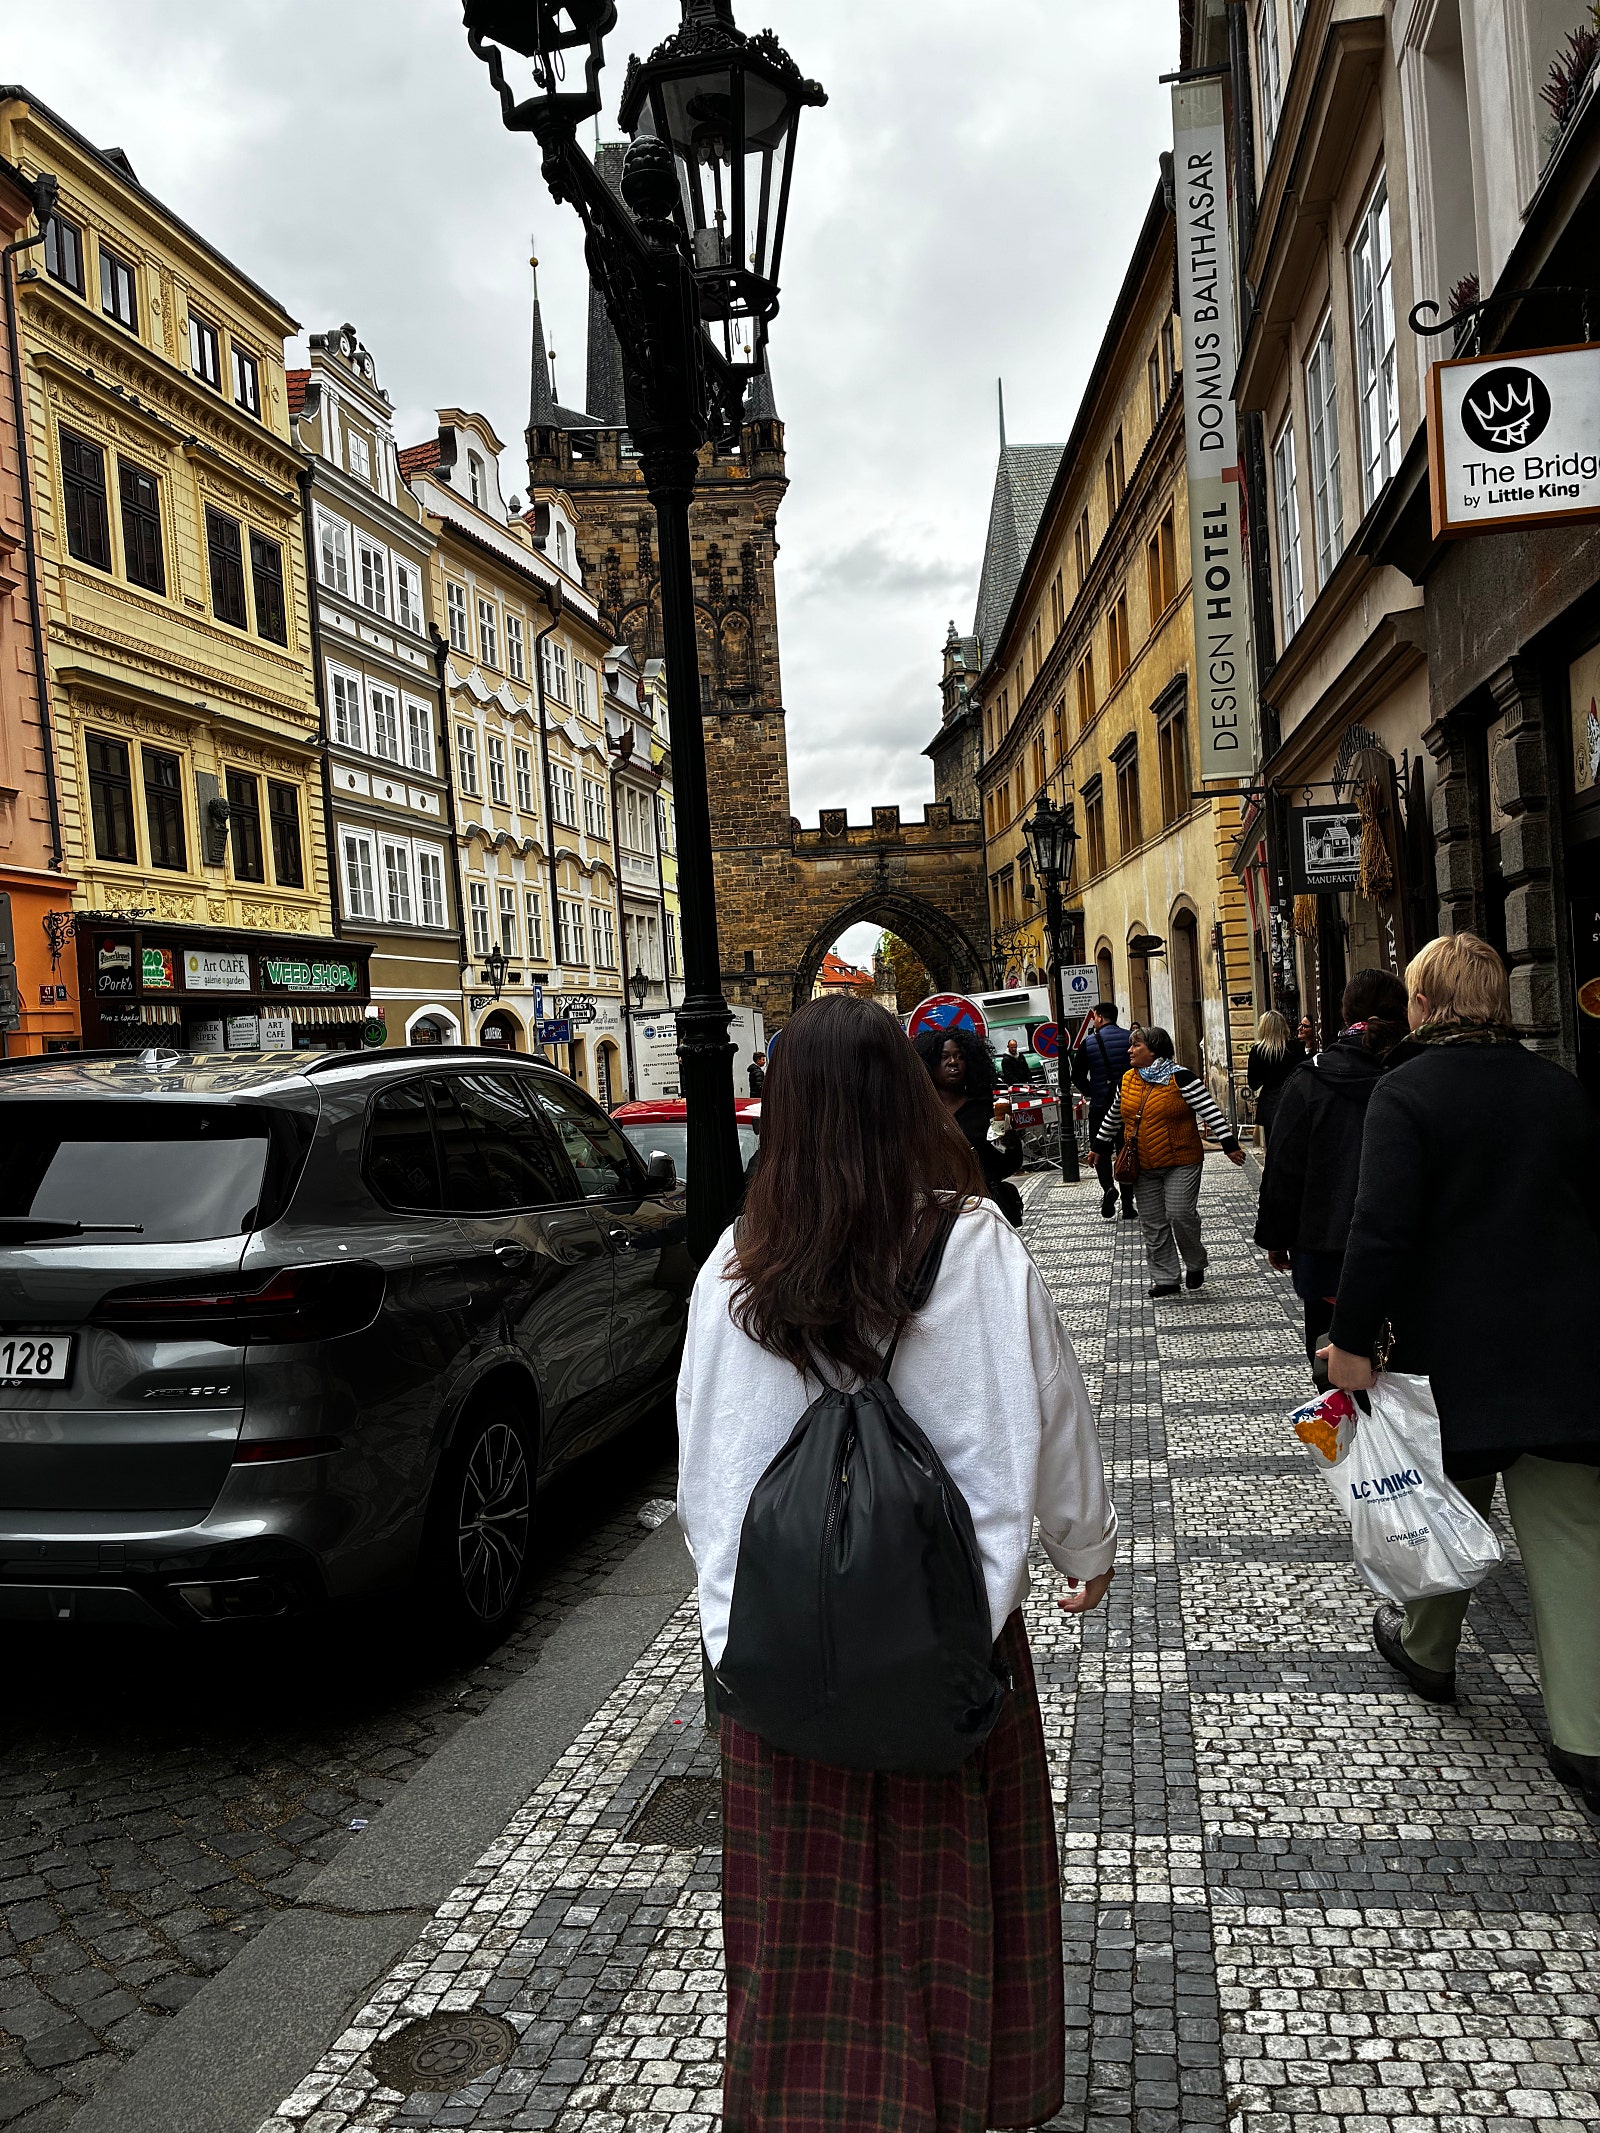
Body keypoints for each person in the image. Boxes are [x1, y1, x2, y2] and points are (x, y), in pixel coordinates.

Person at [677, 992, 1118, 2133]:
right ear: (909, 1100)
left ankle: (813, 2101)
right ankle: (955, 2092)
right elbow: (1051, 1408)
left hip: (782, 1653)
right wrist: (1083, 1542)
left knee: (801, 1923)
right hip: (948, 1635)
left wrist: (728, 1629)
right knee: (947, 1898)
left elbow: (707, 1465)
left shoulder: (734, 1263)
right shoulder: (976, 1245)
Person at [1322, 934, 1600, 1812]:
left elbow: (1381, 1229)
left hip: (1451, 1359)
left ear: (1425, 1005)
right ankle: (1587, 1737)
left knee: (1439, 1502)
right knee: (1573, 1538)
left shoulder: (1406, 1091)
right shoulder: (1561, 1087)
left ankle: (1428, 1649)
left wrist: (1351, 1341)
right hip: (1566, 1354)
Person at [1253, 969, 1408, 1375]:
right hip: (1406, 1246)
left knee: (1330, 1361)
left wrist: (1276, 1236)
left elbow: (1284, 1166)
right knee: (1407, 1357)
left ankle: (1343, 1413)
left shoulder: (1310, 1079)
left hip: (1326, 1247)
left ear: (1344, 1013)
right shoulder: (1415, 1071)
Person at [1094, 1024, 1245, 1297]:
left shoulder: (1181, 1078)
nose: (1129, 1051)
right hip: (1142, 1163)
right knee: (1153, 1222)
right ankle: (1166, 1279)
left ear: (1153, 1050)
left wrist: (1229, 1145)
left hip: (1181, 1160)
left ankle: (1195, 1262)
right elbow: (1115, 1115)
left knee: (1180, 1214)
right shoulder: (1127, 1080)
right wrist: (1099, 1146)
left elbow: (1210, 1111)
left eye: (1136, 1045)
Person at [913, 1023, 1026, 1228]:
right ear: (929, 1064)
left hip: (978, 1213)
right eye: (944, 1057)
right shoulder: (919, 1113)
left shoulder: (984, 1109)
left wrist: (1009, 1143)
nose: (953, 1062)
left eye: (960, 1056)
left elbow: (1008, 1165)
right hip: (934, 1215)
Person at [1071, 1000, 1136, 1220]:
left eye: (1094, 1018)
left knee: (1100, 1151)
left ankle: (1108, 1187)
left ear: (1099, 1017)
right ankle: (1128, 1204)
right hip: (1127, 1106)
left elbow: (1077, 1075)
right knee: (1126, 1152)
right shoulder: (1130, 1039)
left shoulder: (1089, 1042)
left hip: (1100, 1107)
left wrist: (1092, 1091)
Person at [1245, 1009, 1307, 1146]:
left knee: (1273, 1145)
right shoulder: (1295, 1047)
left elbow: (1253, 1084)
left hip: (1269, 1104)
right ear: (1283, 1026)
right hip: (1293, 1101)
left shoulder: (1258, 1051)